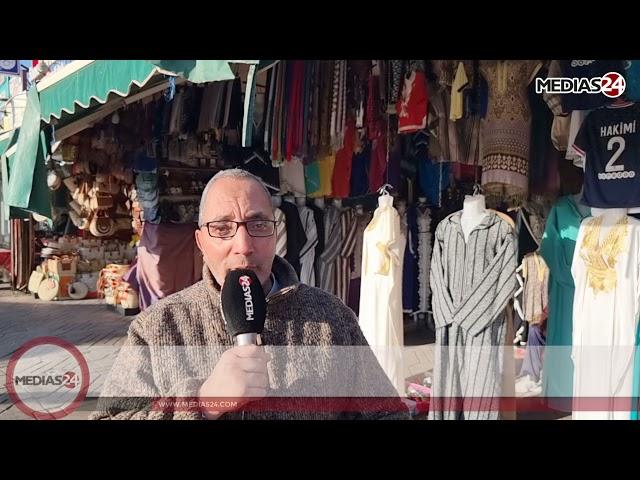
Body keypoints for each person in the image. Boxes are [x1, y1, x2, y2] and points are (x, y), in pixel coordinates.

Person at [90, 169, 409, 420]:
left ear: (275, 234)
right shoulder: (158, 328)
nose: (243, 245)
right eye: (223, 228)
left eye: (258, 224)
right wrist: (201, 403)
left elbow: (387, 413)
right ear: (201, 242)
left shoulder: (331, 318)